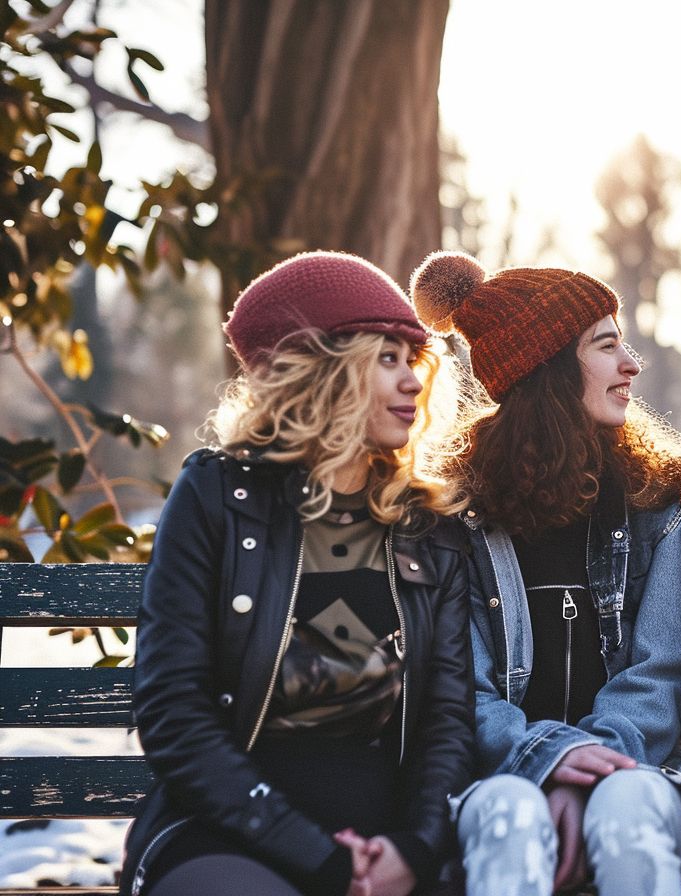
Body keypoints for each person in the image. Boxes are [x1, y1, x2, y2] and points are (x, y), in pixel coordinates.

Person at [122, 252, 476, 896]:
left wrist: (415, 850)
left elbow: (446, 719)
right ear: (323, 371)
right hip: (227, 833)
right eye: (387, 359)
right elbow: (174, 711)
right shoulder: (216, 495)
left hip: (390, 842)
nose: (413, 383)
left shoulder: (427, 523)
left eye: (413, 361)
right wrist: (319, 859)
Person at [408, 252, 681, 896]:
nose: (631, 364)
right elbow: (461, 688)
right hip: (497, 780)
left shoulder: (657, 503)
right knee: (512, 813)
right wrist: (546, 760)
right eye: (607, 345)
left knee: (623, 805)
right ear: (545, 366)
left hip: (645, 772)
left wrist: (589, 765)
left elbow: (662, 674)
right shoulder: (452, 518)